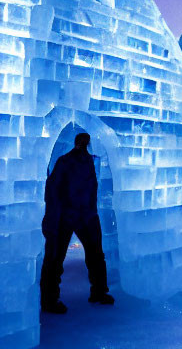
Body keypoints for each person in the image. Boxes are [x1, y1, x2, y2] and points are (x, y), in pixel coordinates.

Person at [40, 132, 114, 314]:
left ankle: (99, 291)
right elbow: (53, 189)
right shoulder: (66, 161)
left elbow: (91, 190)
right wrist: (54, 216)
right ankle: (49, 300)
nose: (85, 144)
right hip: (68, 215)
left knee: (95, 255)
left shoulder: (89, 161)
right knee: (56, 258)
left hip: (86, 215)